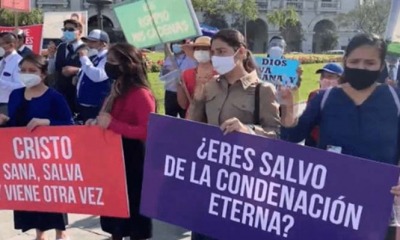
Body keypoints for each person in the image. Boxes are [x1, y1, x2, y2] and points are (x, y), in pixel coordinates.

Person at [279, 33, 400, 240]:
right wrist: (288, 106)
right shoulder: (324, 98)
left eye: (370, 62)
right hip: (330, 204)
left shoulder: (394, 98)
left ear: (381, 67)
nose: (361, 67)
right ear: (345, 62)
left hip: (379, 205)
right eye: (354, 61)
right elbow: (291, 137)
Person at [189, 29, 280, 240]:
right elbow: (194, 127)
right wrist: (197, 99)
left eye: (222, 51)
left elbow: (276, 136)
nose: (215, 58)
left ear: (240, 52)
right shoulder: (210, 86)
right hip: (209, 179)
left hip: (244, 183)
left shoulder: (262, 90)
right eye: (213, 52)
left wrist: (248, 130)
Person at [86, 43, 155, 240]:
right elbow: (106, 118)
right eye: (107, 61)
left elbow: (148, 130)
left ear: (127, 65)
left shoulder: (140, 94)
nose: (108, 66)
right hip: (113, 155)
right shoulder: (117, 88)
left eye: (113, 62)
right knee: (114, 208)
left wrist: (114, 124)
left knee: (133, 208)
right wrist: (96, 122)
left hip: (133, 157)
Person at [0, 53, 73, 240]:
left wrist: (47, 122)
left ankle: (60, 232)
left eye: (32, 71)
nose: (26, 74)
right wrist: (5, 122)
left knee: (52, 197)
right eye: (23, 70)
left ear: (43, 74)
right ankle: (39, 234)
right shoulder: (16, 95)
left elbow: (69, 125)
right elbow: (16, 125)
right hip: (24, 161)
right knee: (32, 198)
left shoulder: (54, 97)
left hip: (50, 158)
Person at [48, 19, 85, 114]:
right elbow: (52, 70)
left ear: (79, 32)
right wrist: (51, 56)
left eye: (71, 29)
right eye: (65, 29)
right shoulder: (61, 47)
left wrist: (77, 70)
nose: (67, 32)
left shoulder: (87, 48)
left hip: (78, 93)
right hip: (61, 92)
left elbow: (94, 71)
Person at [76, 29, 111, 122]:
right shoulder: (95, 57)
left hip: (97, 105)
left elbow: (97, 76)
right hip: (86, 103)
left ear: (104, 44)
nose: (89, 44)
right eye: (88, 41)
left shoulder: (108, 57)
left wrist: (84, 57)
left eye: (93, 42)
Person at [304, 62, 343, 147]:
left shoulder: (345, 99)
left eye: (330, 76)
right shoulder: (314, 95)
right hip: (313, 139)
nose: (325, 79)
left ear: (340, 79)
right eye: (323, 76)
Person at [177, 36, 217, 117]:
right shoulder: (186, 74)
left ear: (212, 52)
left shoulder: (220, 74)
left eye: (205, 49)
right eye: (197, 49)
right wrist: (179, 86)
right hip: (192, 118)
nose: (201, 51)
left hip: (213, 119)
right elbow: (183, 105)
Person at [160, 39, 197, 117]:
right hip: (170, 92)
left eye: (179, 43)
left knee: (185, 117)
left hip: (185, 92)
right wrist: (168, 70)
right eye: (174, 43)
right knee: (170, 118)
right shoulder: (170, 58)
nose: (176, 45)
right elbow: (162, 75)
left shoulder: (191, 59)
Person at [0, 32, 23, 114]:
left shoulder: (19, 62)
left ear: (11, 45)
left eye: (1, 44)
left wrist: (1, 83)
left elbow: (21, 86)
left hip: (7, 105)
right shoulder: (1, 62)